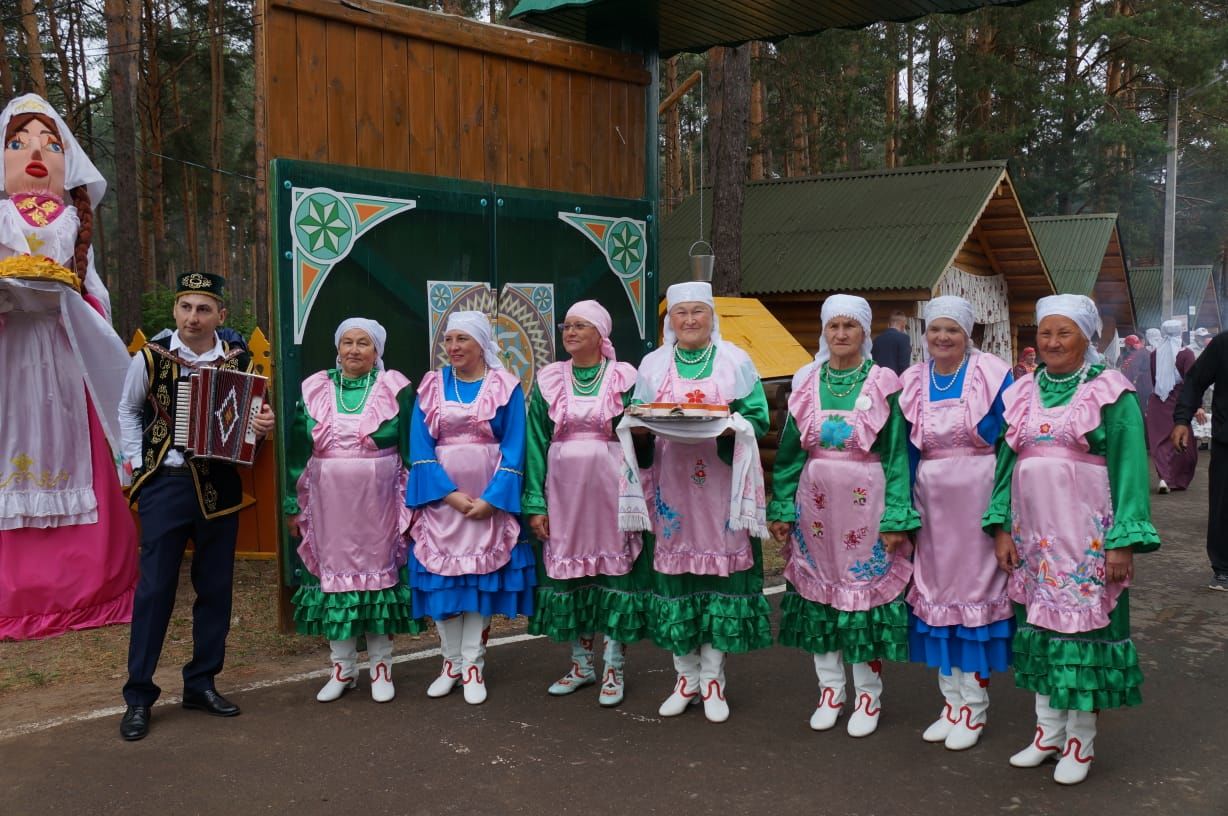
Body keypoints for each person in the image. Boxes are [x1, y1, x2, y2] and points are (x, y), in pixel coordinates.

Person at [985, 294, 1158, 785]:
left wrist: (1122, 541)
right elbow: (1005, 466)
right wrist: (1001, 527)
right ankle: (1047, 733)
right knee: (1040, 634)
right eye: (1045, 333)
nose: (1053, 342)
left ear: (1087, 338)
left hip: (1087, 539)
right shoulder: (1021, 392)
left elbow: (1129, 469)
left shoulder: (1110, 392)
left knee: (1085, 639)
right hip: (1034, 539)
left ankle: (1081, 740)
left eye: (1064, 333)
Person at [0, 93, 137, 641]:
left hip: (63, 351)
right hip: (10, 350)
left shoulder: (73, 222)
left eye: (50, 144)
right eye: (20, 142)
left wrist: (77, 298)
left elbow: (94, 293)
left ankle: (88, 584)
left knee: (75, 445)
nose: (37, 152)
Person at [118, 272, 276, 741]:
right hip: (165, 485)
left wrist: (260, 423)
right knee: (154, 593)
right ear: (175, 312)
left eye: (203, 309)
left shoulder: (239, 360)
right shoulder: (151, 357)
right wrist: (134, 463)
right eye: (186, 307)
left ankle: (201, 683)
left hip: (218, 486)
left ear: (220, 316)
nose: (193, 317)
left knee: (215, 590)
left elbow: (250, 423)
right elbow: (127, 409)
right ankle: (139, 696)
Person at [620, 281, 772, 723]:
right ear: (671, 321)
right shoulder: (653, 364)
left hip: (721, 485)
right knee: (676, 580)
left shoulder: (734, 361)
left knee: (720, 580)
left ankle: (713, 679)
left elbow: (757, 418)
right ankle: (684, 677)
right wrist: (643, 427)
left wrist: (731, 427)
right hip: (672, 485)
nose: (689, 320)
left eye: (697, 313)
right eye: (681, 313)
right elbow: (635, 415)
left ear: (711, 318)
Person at [769, 294, 920, 738]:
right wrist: (781, 506)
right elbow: (790, 453)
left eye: (849, 327)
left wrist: (895, 517)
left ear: (865, 333)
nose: (840, 335)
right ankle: (830, 690)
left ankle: (868, 692)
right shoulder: (806, 381)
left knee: (861, 596)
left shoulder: (882, 382)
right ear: (823, 332)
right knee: (821, 597)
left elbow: (895, 457)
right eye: (833, 327)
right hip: (814, 504)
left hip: (864, 505)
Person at [283, 318, 421, 703]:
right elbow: (297, 450)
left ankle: (381, 667)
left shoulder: (396, 389)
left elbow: (411, 448)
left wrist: (414, 503)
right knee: (335, 579)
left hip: (378, 501)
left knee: (378, 579)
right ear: (337, 348)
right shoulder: (315, 388)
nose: (354, 350)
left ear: (377, 351)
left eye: (363, 343)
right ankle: (342, 668)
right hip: (328, 502)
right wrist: (292, 504)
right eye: (347, 342)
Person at [898, 296, 1014, 751]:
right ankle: (952, 703)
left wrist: (1003, 512)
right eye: (934, 330)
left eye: (952, 330)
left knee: (976, 599)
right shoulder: (912, 381)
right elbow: (904, 452)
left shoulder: (992, 374)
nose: (942, 338)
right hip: (931, 502)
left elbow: (1009, 444)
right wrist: (902, 511)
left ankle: (976, 706)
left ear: (968, 335)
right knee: (937, 596)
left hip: (978, 498)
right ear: (924, 336)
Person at [406, 310, 535, 705]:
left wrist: (493, 500)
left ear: (482, 344)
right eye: (449, 340)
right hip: (444, 503)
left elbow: (515, 445)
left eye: (463, 339)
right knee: (443, 583)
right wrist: (450, 495)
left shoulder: (505, 387)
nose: (454, 347)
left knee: (478, 583)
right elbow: (420, 446)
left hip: (486, 503)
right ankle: (450, 664)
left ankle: (473, 663)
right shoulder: (431, 385)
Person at [524, 300, 647, 706]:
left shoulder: (624, 377)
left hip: (611, 491)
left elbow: (641, 435)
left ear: (600, 335)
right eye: (567, 326)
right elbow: (536, 443)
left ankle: (613, 666)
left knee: (614, 575)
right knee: (571, 576)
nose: (571, 332)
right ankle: (581, 664)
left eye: (580, 326)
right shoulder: (549, 380)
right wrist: (535, 501)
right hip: (564, 493)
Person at [1172, 330, 1228, 590]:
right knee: (1223, 505)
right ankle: (1223, 569)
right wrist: (1182, 419)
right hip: (1227, 440)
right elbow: (1195, 380)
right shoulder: (1224, 343)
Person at [1148, 319, 1197, 493]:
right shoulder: (1186, 354)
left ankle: (1163, 478)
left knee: (1160, 442)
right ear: (1180, 333)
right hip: (1179, 400)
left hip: (1158, 401)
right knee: (1182, 440)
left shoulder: (1155, 354)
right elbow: (1192, 381)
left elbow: (1154, 380)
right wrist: (1196, 405)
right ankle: (1175, 479)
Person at [1186, 328, 1214, 449]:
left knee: (1208, 411)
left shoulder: (1209, 347)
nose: (1204, 339)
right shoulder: (1189, 350)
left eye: (1205, 336)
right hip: (1197, 386)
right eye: (1202, 337)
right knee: (1197, 410)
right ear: (1196, 337)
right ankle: (1198, 436)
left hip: (1210, 386)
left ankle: (1205, 439)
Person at [870, 309, 911, 375]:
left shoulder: (877, 339)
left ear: (888, 324)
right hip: (895, 381)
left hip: (878, 380)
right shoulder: (904, 338)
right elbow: (904, 366)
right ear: (903, 325)